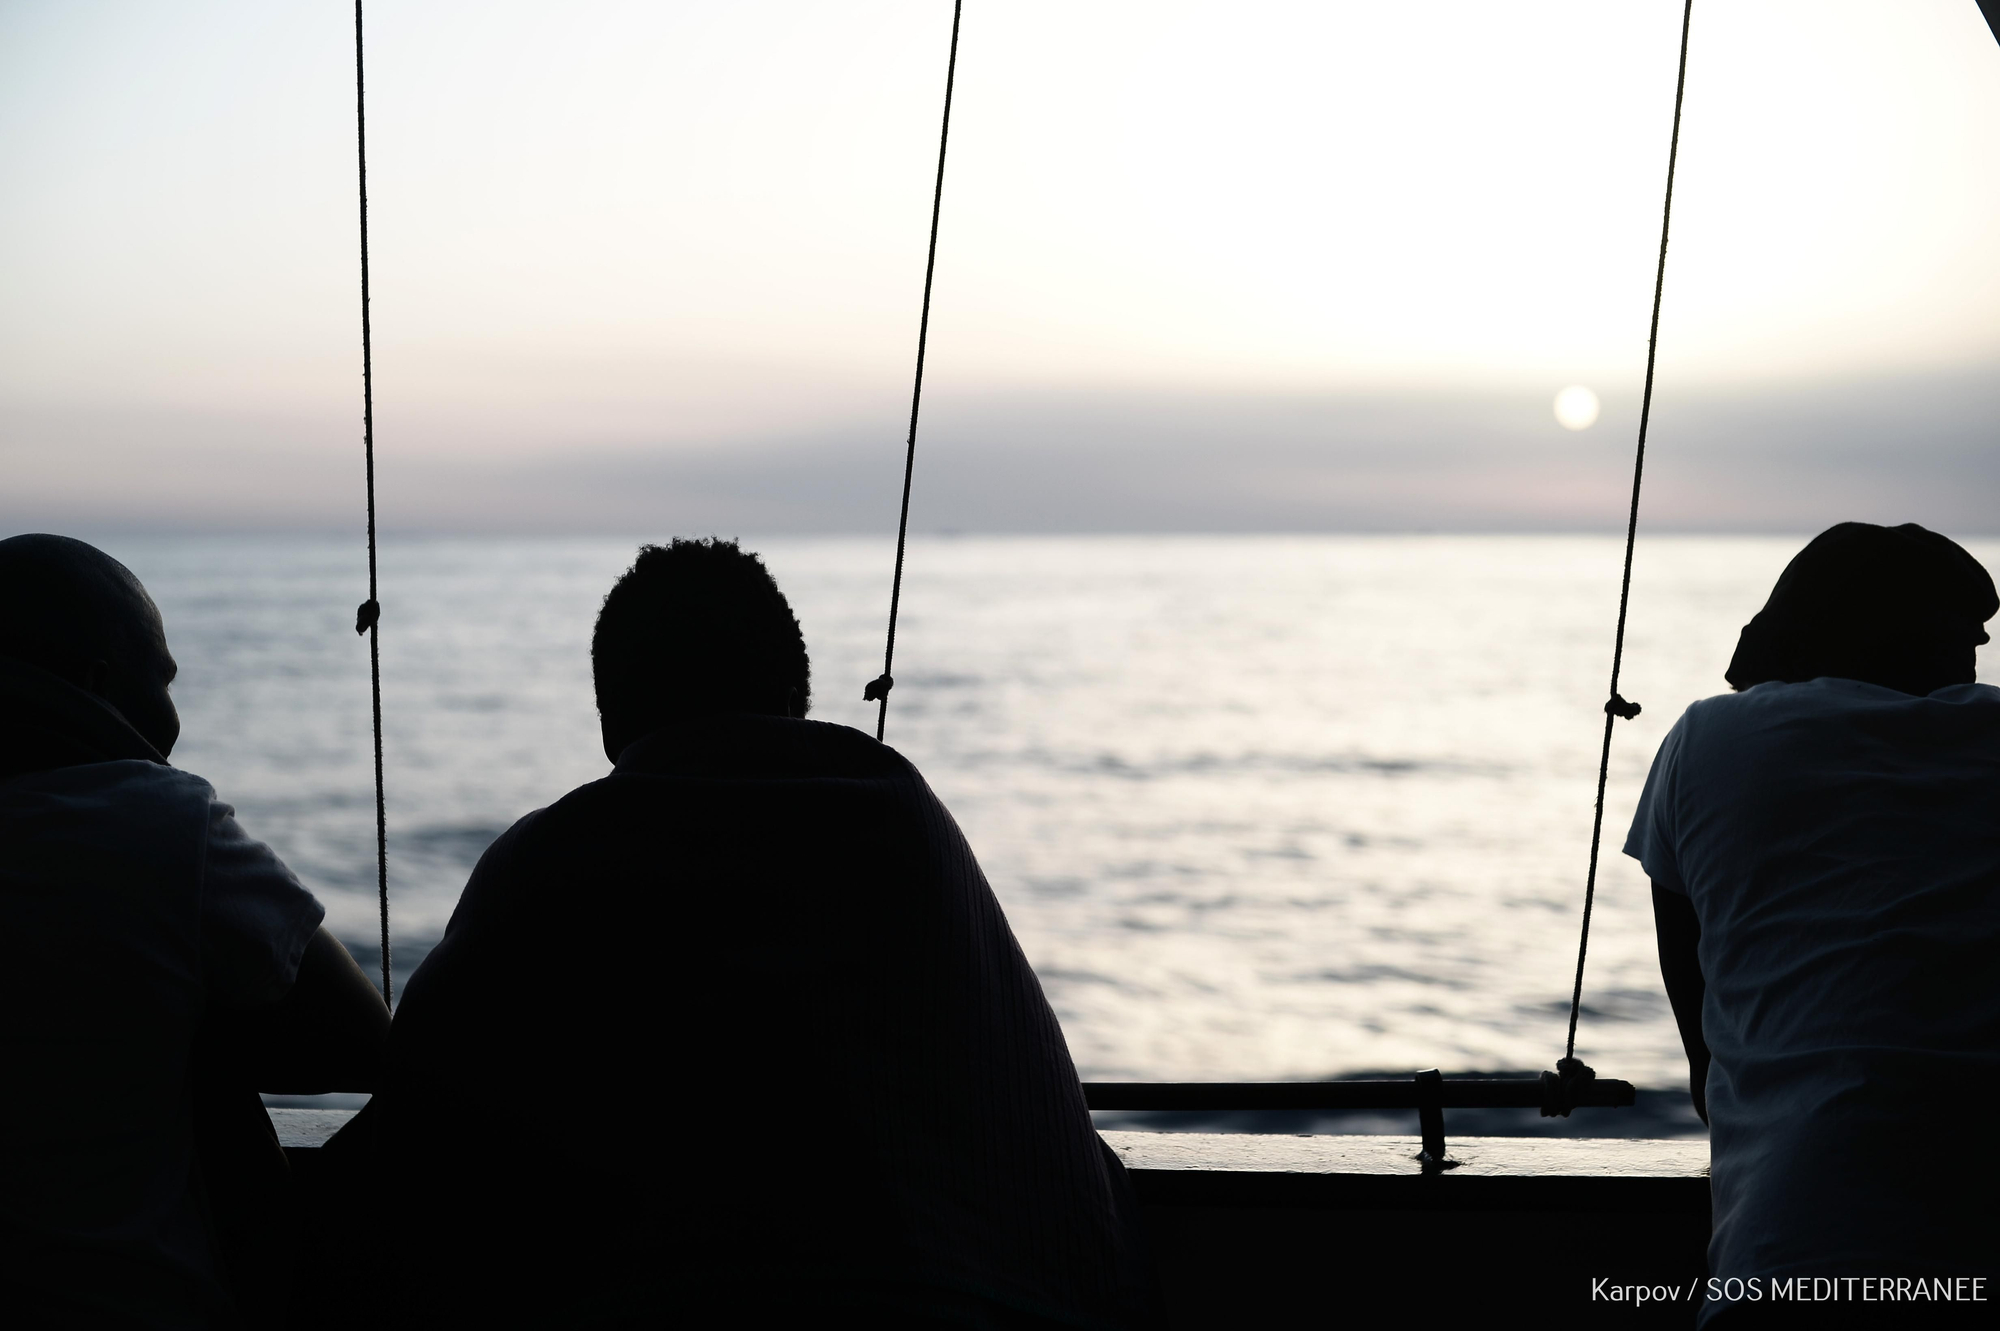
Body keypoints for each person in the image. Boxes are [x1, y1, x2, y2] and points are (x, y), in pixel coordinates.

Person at [365, 538, 1157, 1328]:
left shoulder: (549, 861)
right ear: (794, 699)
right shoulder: (913, 830)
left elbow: (408, 1136)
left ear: (611, 726)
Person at [0, 534, 390, 1329]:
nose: (175, 719)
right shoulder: (156, 820)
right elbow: (364, 1043)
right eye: (164, 680)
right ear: (97, 683)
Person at [1624, 522, 2000, 1325]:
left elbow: (1704, 1044)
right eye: (1967, 641)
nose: (1975, 660)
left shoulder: (1709, 739)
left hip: (1789, 1251)